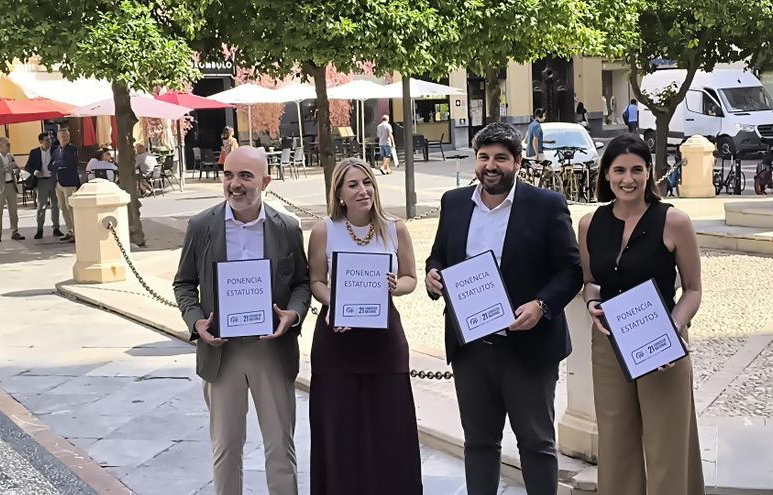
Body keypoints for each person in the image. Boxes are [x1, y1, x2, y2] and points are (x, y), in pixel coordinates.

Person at [425, 122, 582, 494]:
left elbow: (571, 269)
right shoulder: (455, 202)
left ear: (518, 162)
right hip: (471, 348)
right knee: (479, 443)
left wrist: (542, 305)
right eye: (483, 157)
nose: (490, 165)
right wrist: (433, 274)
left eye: (500, 158)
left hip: (527, 347)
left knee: (537, 445)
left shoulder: (546, 206)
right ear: (475, 160)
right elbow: (439, 255)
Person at [173, 146, 311, 495]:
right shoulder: (203, 225)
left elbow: (302, 283)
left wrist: (293, 314)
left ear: (265, 181)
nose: (235, 184)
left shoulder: (286, 228)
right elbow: (184, 283)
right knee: (226, 449)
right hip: (222, 354)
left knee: (280, 448)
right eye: (228, 175)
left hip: (271, 352)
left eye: (245, 176)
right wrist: (196, 322)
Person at [578, 133, 704, 495]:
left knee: (667, 446)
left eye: (636, 169)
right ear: (606, 175)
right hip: (608, 345)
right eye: (619, 170)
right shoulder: (589, 224)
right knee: (616, 443)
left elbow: (692, 290)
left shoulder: (674, 221)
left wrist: (672, 330)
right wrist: (591, 304)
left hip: (662, 341)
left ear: (649, 173)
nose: (627, 179)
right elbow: (590, 281)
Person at [307, 157, 422, 495]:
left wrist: (393, 286)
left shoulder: (394, 227)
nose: (363, 191)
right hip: (337, 338)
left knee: (390, 427)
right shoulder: (323, 230)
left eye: (367, 182)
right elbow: (316, 281)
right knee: (339, 430)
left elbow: (410, 279)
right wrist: (335, 305)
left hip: (383, 339)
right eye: (353, 185)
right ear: (339, 194)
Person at [25, 133, 63, 239]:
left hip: (54, 180)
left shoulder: (56, 150)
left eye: (50, 139)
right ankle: (39, 229)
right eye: (46, 140)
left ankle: (56, 228)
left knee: (55, 205)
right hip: (41, 181)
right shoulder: (35, 152)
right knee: (41, 206)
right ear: (41, 142)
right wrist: (35, 171)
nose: (49, 141)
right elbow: (28, 166)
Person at [0, 137, 24, 242]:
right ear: (0, 146)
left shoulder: (10, 156)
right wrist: (7, 168)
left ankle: (15, 231)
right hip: (0, 187)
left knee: (13, 211)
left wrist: (16, 170)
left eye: (9, 144)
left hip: (11, 186)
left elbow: (14, 169)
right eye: (7, 144)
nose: (10, 146)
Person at [50, 129, 80, 242]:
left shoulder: (72, 149)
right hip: (58, 183)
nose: (65, 138)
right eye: (63, 136)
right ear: (58, 138)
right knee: (62, 207)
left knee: (70, 207)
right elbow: (49, 166)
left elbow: (70, 163)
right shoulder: (56, 151)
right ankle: (70, 230)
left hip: (69, 182)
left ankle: (77, 232)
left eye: (67, 136)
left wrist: (57, 164)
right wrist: (59, 164)